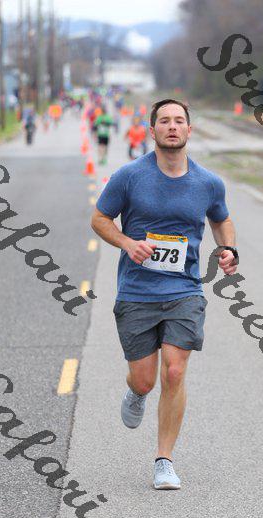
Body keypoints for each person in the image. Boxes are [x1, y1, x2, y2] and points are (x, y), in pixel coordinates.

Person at [91, 99, 238, 490]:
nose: (172, 126)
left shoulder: (208, 183)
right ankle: (136, 393)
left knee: (174, 370)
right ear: (152, 130)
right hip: (137, 291)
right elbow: (99, 218)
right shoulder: (129, 177)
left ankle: (164, 461)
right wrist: (127, 243)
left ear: (189, 130)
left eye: (179, 121)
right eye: (164, 121)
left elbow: (221, 219)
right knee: (145, 380)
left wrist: (228, 248)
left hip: (184, 289)